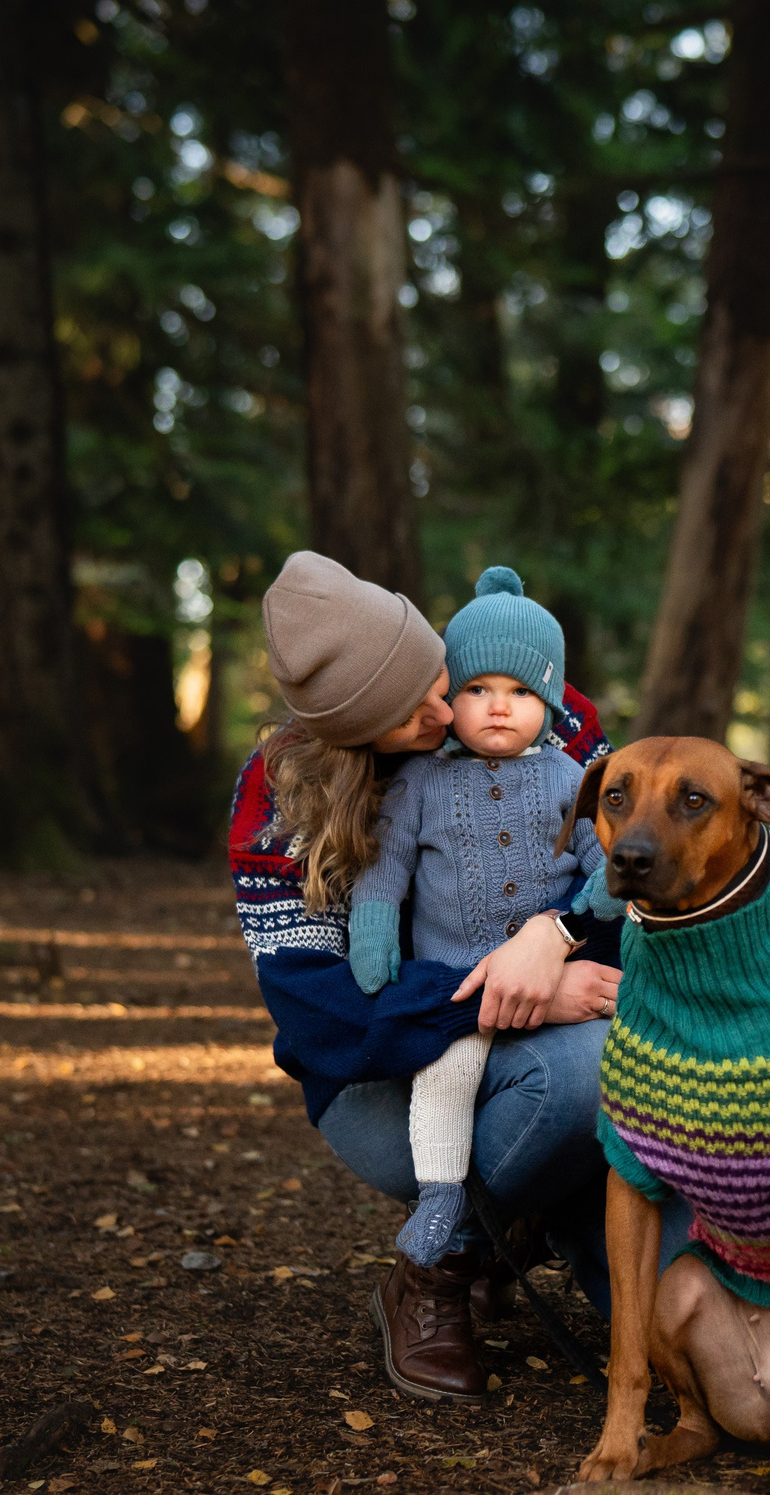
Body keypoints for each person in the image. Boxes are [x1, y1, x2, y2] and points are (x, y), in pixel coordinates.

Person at [230, 550, 620, 1404]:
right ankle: (439, 1270)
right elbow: (320, 1018)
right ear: (356, 728)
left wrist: (559, 938)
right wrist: (518, 987)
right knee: (575, 1085)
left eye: (442, 677)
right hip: (378, 1076)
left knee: (601, 1080)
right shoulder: (277, 802)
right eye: (419, 708)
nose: (457, 708)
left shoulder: (535, 703)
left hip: (557, 1027)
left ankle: (554, 1217)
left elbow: (630, 861)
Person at [341, 567, 619, 1269]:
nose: (499, 707)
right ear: (448, 699)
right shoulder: (419, 782)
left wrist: (588, 909)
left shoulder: (570, 777)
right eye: (478, 689)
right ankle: (443, 1201)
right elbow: (386, 867)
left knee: (604, 1070)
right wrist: (373, 934)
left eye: (522, 691)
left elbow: (604, 859)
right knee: (444, 1081)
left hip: (551, 985)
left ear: (551, 704)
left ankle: (579, 1211)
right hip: (457, 989)